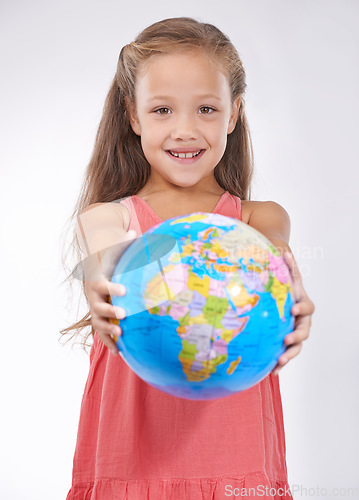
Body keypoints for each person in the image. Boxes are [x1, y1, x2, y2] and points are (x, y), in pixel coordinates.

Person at [62, 16, 315, 499]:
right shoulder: (109, 218)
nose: (184, 129)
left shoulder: (258, 219)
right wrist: (103, 281)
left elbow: (274, 253)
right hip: (132, 469)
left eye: (205, 108)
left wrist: (292, 287)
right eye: (161, 109)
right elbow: (105, 253)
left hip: (233, 465)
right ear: (132, 116)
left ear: (233, 114)